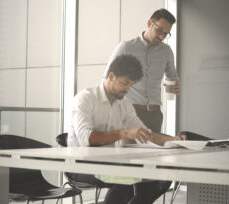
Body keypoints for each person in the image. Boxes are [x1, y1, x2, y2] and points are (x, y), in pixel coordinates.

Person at [67, 54, 186, 204]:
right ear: (111, 76)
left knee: (160, 178)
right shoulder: (85, 98)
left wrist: (172, 140)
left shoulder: (124, 104)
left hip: (109, 163)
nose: (128, 89)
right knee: (124, 178)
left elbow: (145, 133)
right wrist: (124, 133)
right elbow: (87, 139)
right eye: (125, 83)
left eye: (131, 85)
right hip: (79, 165)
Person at [104, 8, 179, 133]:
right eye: (159, 30)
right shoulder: (126, 47)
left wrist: (175, 85)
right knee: (130, 152)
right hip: (130, 113)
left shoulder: (167, 51)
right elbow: (107, 77)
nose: (161, 36)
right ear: (149, 23)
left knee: (155, 152)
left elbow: (173, 76)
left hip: (155, 114)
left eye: (166, 34)